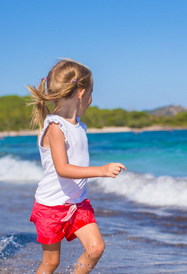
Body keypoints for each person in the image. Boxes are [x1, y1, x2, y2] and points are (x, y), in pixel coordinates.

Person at [27, 59, 126, 274]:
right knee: (51, 263)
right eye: (91, 93)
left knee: (96, 248)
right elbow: (63, 169)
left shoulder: (79, 126)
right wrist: (101, 170)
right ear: (81, 93)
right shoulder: (55, 127)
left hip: (77, 203)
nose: (91, 100)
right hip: (51, 206)